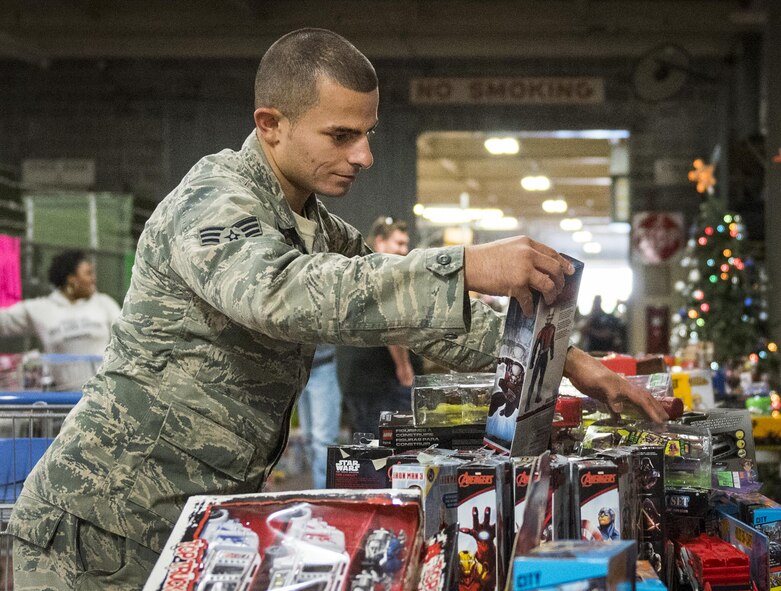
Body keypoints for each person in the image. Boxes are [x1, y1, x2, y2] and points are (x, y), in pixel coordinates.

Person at [8, 28, 667, 589]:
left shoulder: (316, 226)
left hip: (192, 514)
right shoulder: (213, 200)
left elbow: (416, 313)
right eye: (341, 134)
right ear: (270, 123)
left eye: (368, 133)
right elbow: (282, 294)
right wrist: (465, 264)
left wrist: (575, 363)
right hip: (100, 524)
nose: (364, 155)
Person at [338, 216, 421, 436]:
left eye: (406, 244)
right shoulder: (384, 275)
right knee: (390, 455)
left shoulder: (357, 271)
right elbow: (391, 326)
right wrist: (405, 370)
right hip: (383, 383)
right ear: (380, 242)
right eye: (399, 244)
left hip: (359, 383)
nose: (404, 250)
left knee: (365, 454)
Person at [0, 249, 120, 390]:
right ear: (71, 279)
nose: (93, 279)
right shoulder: (41, 309)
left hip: (104, 395)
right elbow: (4, 321)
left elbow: (127, 339)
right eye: (88, 273)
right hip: (63, 400)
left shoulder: (104, 304)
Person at [296, 343, 341, 488]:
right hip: (296, 366)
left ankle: (324, 496)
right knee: (308, 438)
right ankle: (321, 489)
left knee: (323, 441)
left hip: (323, 364)